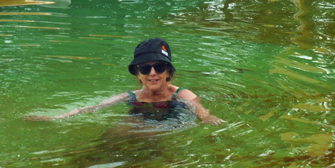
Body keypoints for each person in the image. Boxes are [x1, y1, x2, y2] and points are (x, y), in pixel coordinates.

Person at [25, 38, 224, 125]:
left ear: (168, 73)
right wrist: (57, 118)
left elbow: (201, 111)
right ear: (138, 75)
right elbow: (93, 107)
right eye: (145, 68)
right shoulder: (131, 97)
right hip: (137, 123)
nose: (152, 73)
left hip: (167, 124)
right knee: (117, 131)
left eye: (159, 67)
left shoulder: (181, 95)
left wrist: (208, 118)